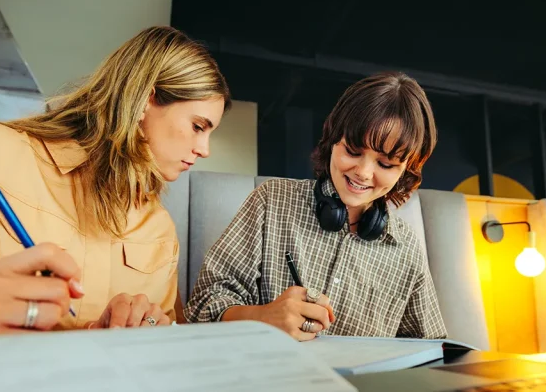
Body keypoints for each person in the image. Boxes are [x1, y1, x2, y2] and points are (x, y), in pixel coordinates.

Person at [0, 26, 231, 338]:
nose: (204, 150)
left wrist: (149, 330)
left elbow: (167, 345)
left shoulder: (159, 229)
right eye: (198, 126)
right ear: (146, 99)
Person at [185, 71, 447, 341]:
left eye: (385, 164)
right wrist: (263, 317)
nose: (364, 173)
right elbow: (201, 307)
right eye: (353, 151)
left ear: (405, 171)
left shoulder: (407, 249)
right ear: (333, 140)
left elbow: (431, 347)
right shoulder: (271, 201)